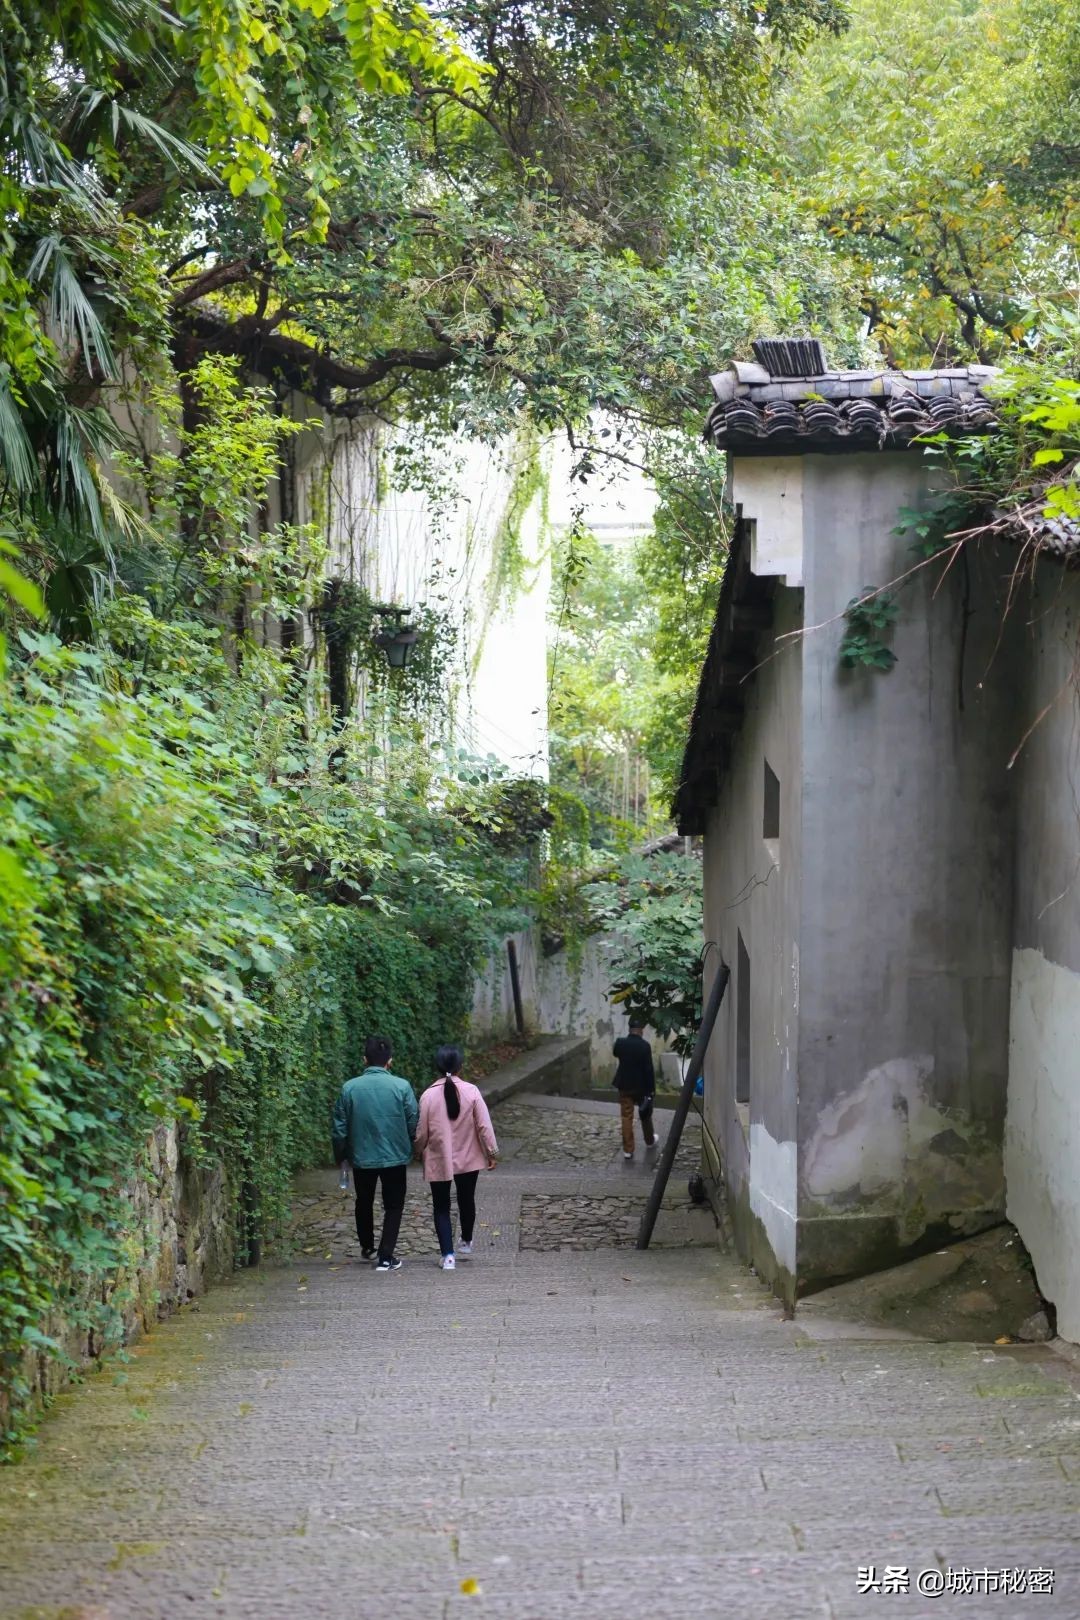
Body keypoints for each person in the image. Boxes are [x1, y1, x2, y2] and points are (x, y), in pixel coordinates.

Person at [332, 1034, 418, 1272]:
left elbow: (339, 1128)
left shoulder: (349, 1088)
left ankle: (368, 1246)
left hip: (362, 1156)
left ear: (364, 1059)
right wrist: (415, 1144)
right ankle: (386, 1255)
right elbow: (413, 1121)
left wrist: (341, 1156)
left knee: (364, 1201)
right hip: (395, 1156)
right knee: (394, 1205)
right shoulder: (402, 1086)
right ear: (390, 1061)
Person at [414, 1044, 498, 1271]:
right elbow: (484, 1125)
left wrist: (418, 1150)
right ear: (461, 1066)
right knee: (466, 1199)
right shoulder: (472, 1091)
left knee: (441, 1206)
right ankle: (466, 1240)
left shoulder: (428, 1095)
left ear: (437, 1067)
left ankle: (448, 1256)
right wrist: (491, 1152)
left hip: (438, 1157)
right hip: (469, 1156)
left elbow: (422, 1132)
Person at [612, 1019, 658, 1159]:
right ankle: (649, 1141)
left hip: (624, 1085)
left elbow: (616, 1053)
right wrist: (651, 1090)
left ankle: (628, 1150)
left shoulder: (620, 1043)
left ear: (630, 1029)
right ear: (640, 1030)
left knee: (626, 1117)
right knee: (645, 1114)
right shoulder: (645, 1046)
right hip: (641, 1087)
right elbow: (648, 1069)